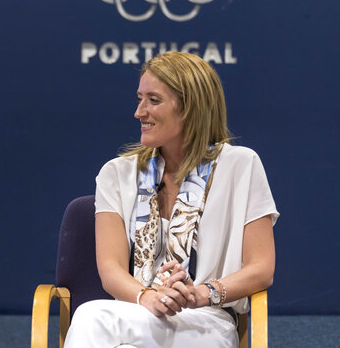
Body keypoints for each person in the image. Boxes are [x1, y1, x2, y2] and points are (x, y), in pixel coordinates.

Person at [63, 52, 278, 348]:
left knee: (95, 320)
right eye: (140, 99)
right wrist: (148, 296)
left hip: (205, 319)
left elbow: (261, 268)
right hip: (136, 311)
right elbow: (110, 271)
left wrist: (202, 293)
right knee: (91, 316)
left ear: (190, 108)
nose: (140, 112)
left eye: (153, 100)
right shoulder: (116, 173)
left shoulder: (241, 165)